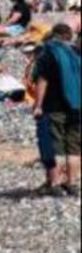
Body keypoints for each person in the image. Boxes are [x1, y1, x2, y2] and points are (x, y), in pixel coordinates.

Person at [31, 22, 81, 196]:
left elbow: (42, 81)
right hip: (76, 106)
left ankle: (55, 183)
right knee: (74, 147)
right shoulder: (75, 53)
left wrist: (38, 105)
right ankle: (72, 183)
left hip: (54, 107)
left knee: (55, 145)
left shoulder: (49, 53)